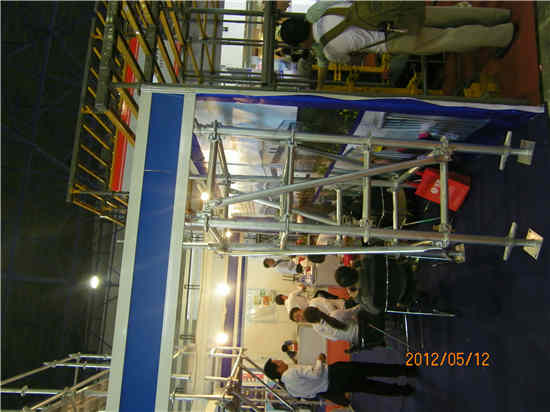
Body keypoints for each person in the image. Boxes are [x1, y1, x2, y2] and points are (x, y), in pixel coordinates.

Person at [280, 2, 517, 88]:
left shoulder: (330, 51)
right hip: (397, 11)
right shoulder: (327, 11)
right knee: (451, 15)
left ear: (302, 43)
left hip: (393, 39)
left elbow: (354, 59)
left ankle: (502, 36)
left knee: (448, 38)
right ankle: (500, 15)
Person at [264, 354, 416, 406]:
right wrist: (319, 360)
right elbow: (316, 374)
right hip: (335, 373)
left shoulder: (290, 389)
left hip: (334, 387)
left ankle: (402, 390)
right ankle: (405, 371)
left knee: (371, 387)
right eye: (278, 362)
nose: (281, 361)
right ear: (278, 368)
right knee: (372, 369)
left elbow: (311, 395)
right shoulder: (291, 371)